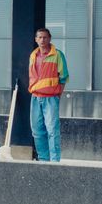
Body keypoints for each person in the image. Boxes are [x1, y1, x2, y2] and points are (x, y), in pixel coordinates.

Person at [28, 27, 69, 162]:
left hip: (50, 98)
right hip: (35, 97)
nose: (42, 40)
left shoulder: (57, 55)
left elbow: (63, 77)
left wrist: (57, 95)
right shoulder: (33, 55)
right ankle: (44, 160)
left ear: (49, 38)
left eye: (45, 37)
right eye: (39, 37)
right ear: (36, 39)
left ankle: (55, 160)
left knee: (52, 130)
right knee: (37, 131)